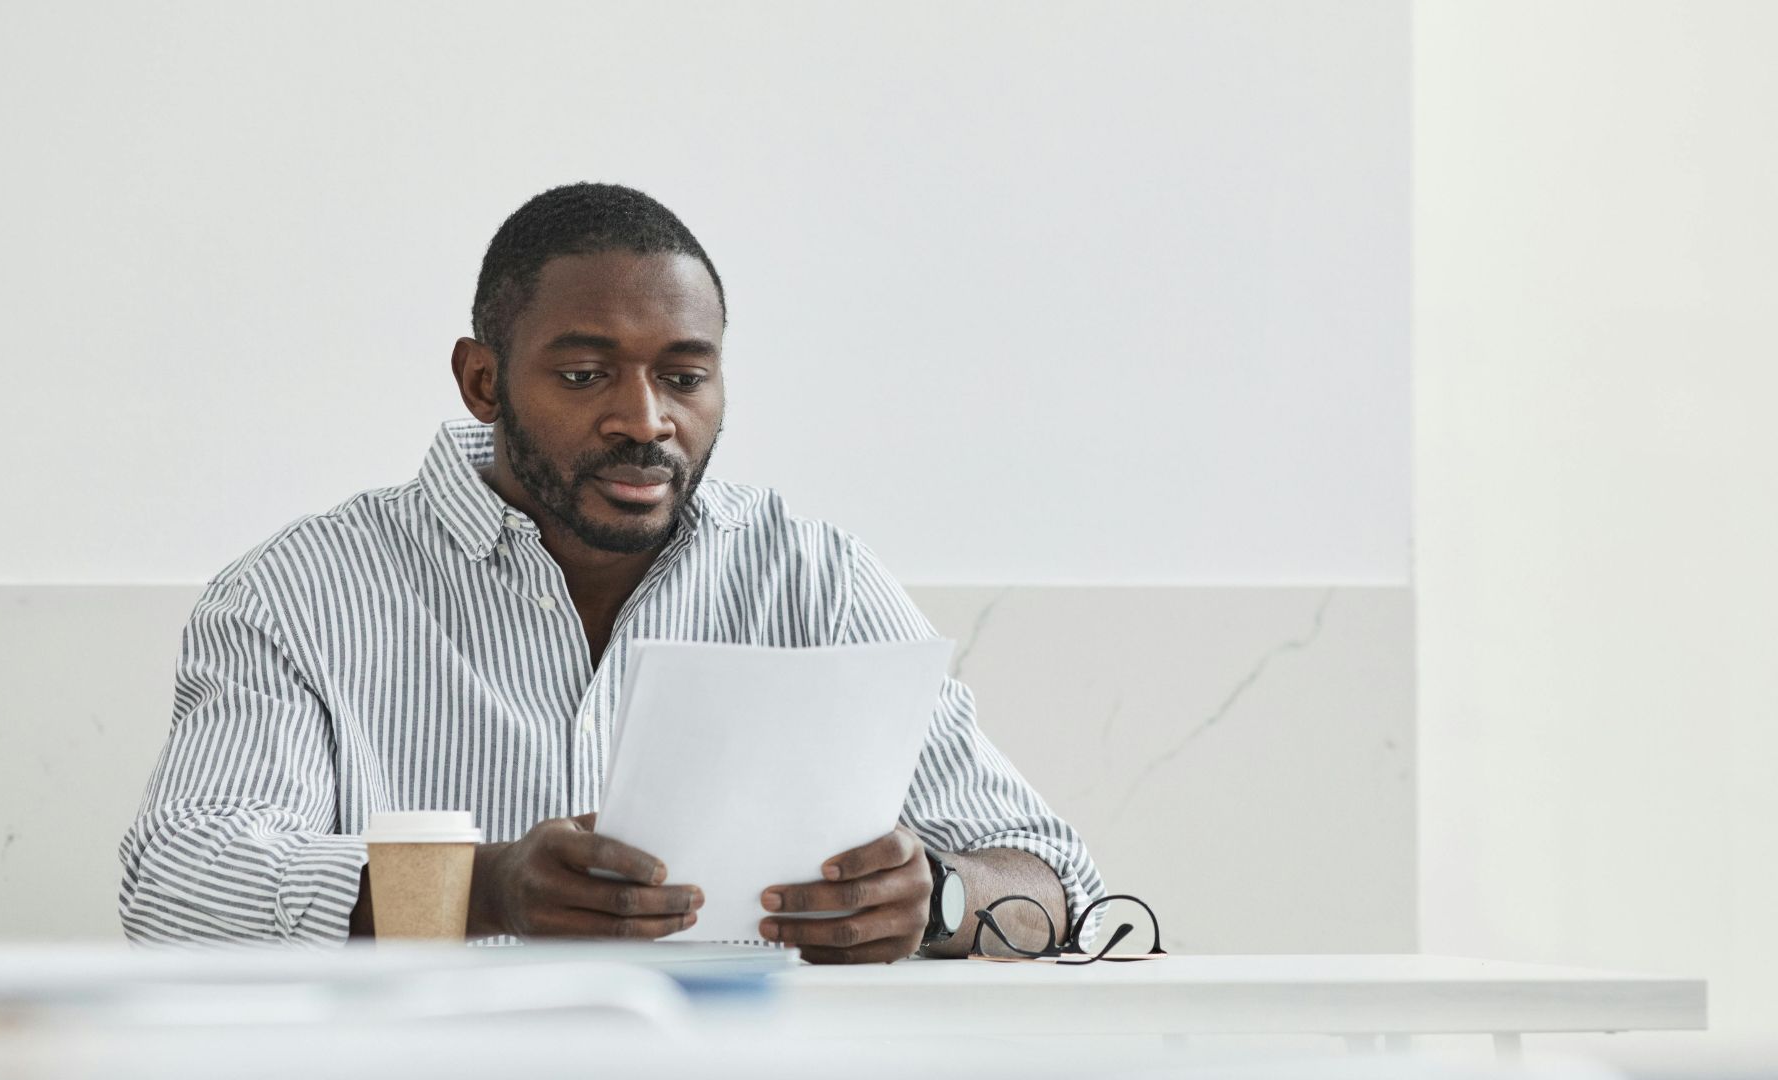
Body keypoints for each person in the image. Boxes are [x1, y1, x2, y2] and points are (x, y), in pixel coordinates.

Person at [117, 183, 1104, 963]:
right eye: (585, 374)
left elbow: (1061, 876)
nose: (646, 418)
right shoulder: (298, 595)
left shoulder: (814, 579)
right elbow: (179, 883)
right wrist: (482, 889)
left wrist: (943, 896)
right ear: (483, 380)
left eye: (684, 375)